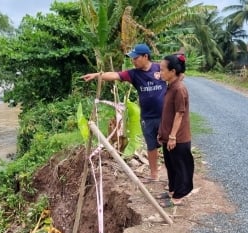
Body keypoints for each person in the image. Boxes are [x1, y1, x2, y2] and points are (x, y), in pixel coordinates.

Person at [82, 43, 167, 182]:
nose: (133, 61)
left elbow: (176, 74)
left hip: (165, 115)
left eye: (136, 58)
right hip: (147, 116)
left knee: (169, 145)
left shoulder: (160, 68)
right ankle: (154, 175)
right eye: (132, 58)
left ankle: (175, 177)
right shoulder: (133, 74)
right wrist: (97, 75)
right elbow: (115, 75)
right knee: (152, 146)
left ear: (146, 56)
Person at [157, 54, 194, 207]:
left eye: (163, 70)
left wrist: (172, 136)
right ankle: (172, 190)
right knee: (170, 165)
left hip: (178, 137)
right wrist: (162, 132)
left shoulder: (179, 89)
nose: (160, 73)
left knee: (180, 167)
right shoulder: (170, 86)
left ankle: (179, 196)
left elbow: (179, 113)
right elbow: (167, 113)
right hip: (168, 136)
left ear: (172, 71)